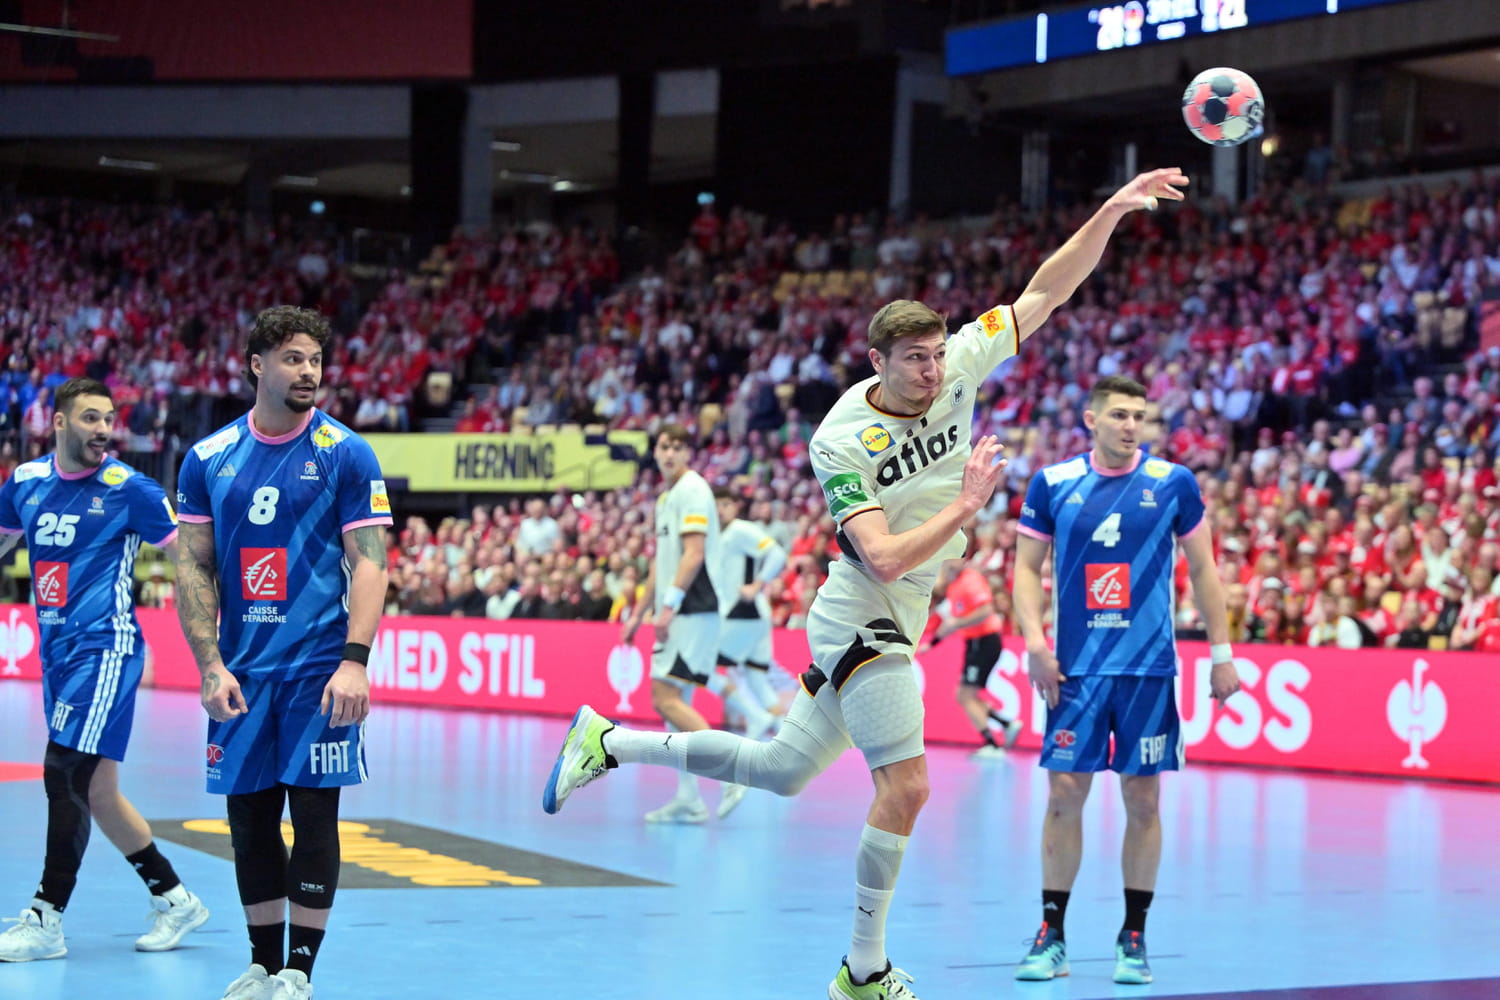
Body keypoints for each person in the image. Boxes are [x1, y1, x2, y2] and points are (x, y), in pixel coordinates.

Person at [542, 168, 1191, 1000]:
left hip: (906, 608)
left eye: (936, 354)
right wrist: (964, 507)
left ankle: (609, 741)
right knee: (909, 786)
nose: (931, 371)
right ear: (875, 360)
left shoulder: (959, 361)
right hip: (862, 610)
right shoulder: (840, 439)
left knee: (780, 770)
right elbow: (881, 557)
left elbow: (1047, 290)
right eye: (913, 360)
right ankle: (864, 969)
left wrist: (1108, 211)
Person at [174, 306, 392, 1000]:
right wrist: (209, 665)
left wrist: (354, 659)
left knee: (315, 816)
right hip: (241, 671)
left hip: (317, 671)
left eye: (315, 361)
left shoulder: (346, 452)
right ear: (255, 364)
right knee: (248, 823)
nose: (308, 372)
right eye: (293, 359)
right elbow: (192, 568)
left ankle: (300, 969)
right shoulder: (207, 458)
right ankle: (262, 962)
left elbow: (371, 563)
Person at [1011, 375, 1241, 986]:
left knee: (1143, 799)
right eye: (1118, 414)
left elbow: (1204, 568)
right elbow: (1026, 571)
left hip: (1147, 669)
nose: (1131, 425)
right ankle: (1051, 934)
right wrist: (1035, 643)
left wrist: (1222, 653)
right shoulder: (1054, 484)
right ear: (1090, 419)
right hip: (1076, 670)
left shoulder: (1173, 483)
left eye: (1139, 416)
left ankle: (1133, 936)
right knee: (1064, 797)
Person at [0, 377, 209, 962]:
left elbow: (189, 559)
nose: (103, 430)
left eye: (109, 419)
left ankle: (46, 919)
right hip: (57, 654)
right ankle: (175, 897)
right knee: (99, 791)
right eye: (90, 418)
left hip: (105, 651)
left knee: (62, 775)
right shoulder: (26, 483)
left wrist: (218, 640)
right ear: (60, 423)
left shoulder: (130, 489)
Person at [612, 424, 774, 824]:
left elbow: (693, 554)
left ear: (687, 454)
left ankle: (732, 772)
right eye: (663, 446)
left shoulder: (692, 490)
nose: (669, 453)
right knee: (675, 708)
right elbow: (661, 562)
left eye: (677, 447)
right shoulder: (666, 498)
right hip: (679, 610)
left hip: (695, 609)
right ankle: (689, 798)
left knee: (663, 698)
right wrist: (637, 614)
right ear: (655, 452)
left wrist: (667, 609)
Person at [925, 556, 1021, 759]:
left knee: (965, 696)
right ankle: (1006, 724)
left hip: (984, 641)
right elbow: (952, 622)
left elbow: (985, 611)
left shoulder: (971, 580)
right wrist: (932, 643)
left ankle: (992, 745)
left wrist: (958, 623)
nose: (949, 566)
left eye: (953, 562)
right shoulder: (954, 585)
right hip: (975, 643)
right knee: (965, 695)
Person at [713, 485, 791, 722]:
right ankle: (778, 730)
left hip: (744, 612)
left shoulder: (740, 530)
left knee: (700, 664)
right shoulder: (717, 534)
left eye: (726, 504)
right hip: (755, 615)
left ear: (735, 507)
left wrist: (758, 585)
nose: (720, 510)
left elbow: (777, 554)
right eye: (716, 505)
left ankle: (753, 716)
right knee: (756, 677)